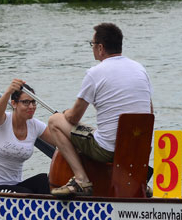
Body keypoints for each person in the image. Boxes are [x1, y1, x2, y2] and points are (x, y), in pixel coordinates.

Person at [48, 23, 153, 197]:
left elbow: (74, 118)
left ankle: (81, 180)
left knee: (54, 121)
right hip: (138, 148)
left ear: (100, 48)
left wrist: (64, 113)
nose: (92, 48)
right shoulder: (140, 69)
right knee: (100, 131)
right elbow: (149, 112)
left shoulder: (95, 73)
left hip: (108, 150)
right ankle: (137, 180)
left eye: (92, 44)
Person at [0, 79, 55, 194]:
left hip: (15, 184)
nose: (31, 106)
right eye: (26, 102)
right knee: (24, 192)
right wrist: (9, 91)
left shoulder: (35, 125)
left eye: (33, 102)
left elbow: (58, 141)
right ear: (14, 103)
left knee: (43, 180)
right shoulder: (2, 121)